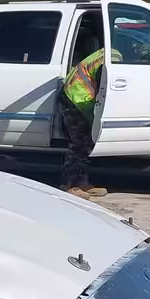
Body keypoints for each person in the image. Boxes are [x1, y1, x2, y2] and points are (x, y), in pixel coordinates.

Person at [60, 46, 121, 199]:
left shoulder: (109, 52)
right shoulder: (113, 58)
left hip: (80, 96)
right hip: (76, 97)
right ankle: (70, 185)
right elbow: (104, 86)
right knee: (79, 143)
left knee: (85, 144)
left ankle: (82, 183)